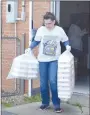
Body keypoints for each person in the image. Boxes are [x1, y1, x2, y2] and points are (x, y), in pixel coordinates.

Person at [29, 12, 71, 113]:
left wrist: (67, 46)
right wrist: (30, 47)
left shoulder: (59, 30)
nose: (47, 25)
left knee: (53, 81)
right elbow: (36, 41)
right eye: (45, 23)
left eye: (49, 23)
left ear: (54, 22)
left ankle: (56, 104)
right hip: (42, 60)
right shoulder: (41, 30)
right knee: (43, 83)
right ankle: (45, 103)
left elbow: (65, 40)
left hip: (54, 60)